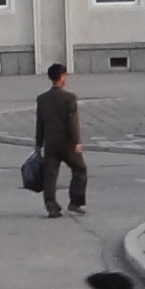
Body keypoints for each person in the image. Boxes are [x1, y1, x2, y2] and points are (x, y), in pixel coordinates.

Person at [34, 63, 87, 218]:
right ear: (62, 76)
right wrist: (77, 141)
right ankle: (75, 202)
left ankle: (51, 206)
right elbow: (72, 122)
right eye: (66, 75)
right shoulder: (69, 98)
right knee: (80, 169)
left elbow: (40, 122)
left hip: (50, 143)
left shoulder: (42, 99)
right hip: (67, 144)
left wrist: (38, 143)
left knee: (50, 176)